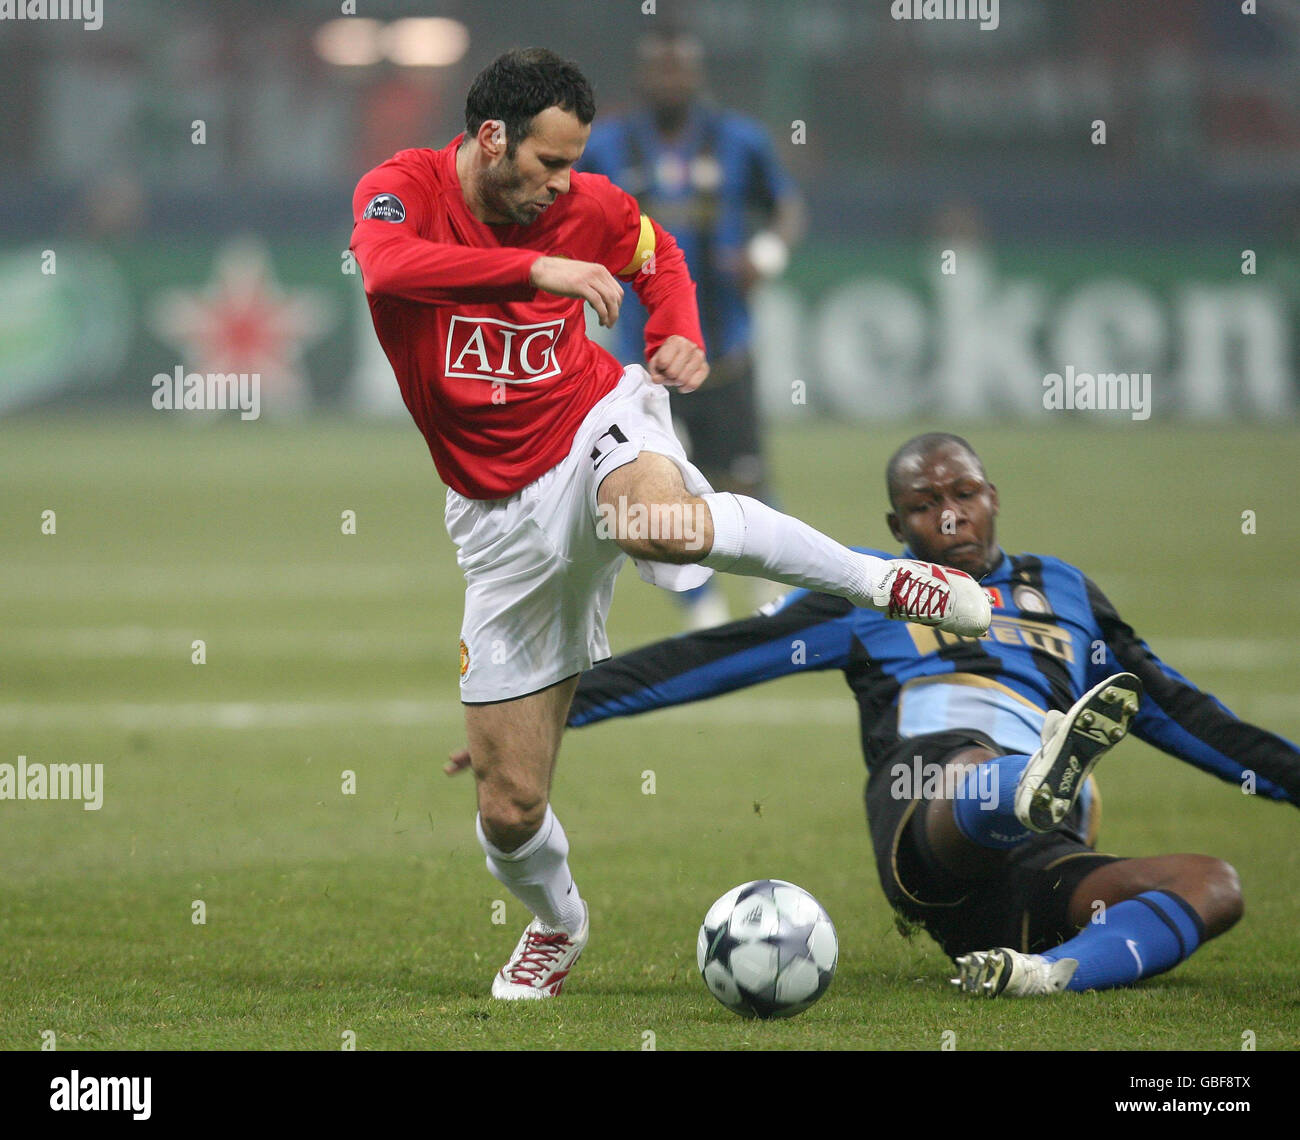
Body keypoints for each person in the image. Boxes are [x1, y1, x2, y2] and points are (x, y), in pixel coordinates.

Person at [350, 51, 991, 1000]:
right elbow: (387, 268)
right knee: (510, 806)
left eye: (574, 166)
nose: (568, 184)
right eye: (552, 165)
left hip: (590, 423)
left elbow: (655, 252)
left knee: (664, 525)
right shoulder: (401, 188)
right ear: (494, 140)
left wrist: (675, 329)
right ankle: (556, 924)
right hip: (494, 519)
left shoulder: (588, 208)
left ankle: (887, 581)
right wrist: (538, 267)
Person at [555, 432, 1300, 996]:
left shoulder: (1065, 592)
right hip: (926, 814)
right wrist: (547, 709)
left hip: (1031, 875)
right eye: (924, 505)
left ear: (993, 495)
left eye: (964, 494)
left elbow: (1179, 711)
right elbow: (717, 655)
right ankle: (1026, 781)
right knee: (971, 757)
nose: (948, 517)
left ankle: (1047, 973)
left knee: (1213, 884)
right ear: (897, 521)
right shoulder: (872, 590)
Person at [579, 29, 805, 627]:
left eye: (680, 69)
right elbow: (567, 206)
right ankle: (697, 607)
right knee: (651, 491)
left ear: (699, 76)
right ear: (643, 78)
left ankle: (770, 602)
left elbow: (786, 208)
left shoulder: (740, 140)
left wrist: (766, 255)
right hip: (639, 366)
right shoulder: (607, 147)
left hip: (723, 350)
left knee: (744, 481)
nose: (670, 79)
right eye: (660, 69)